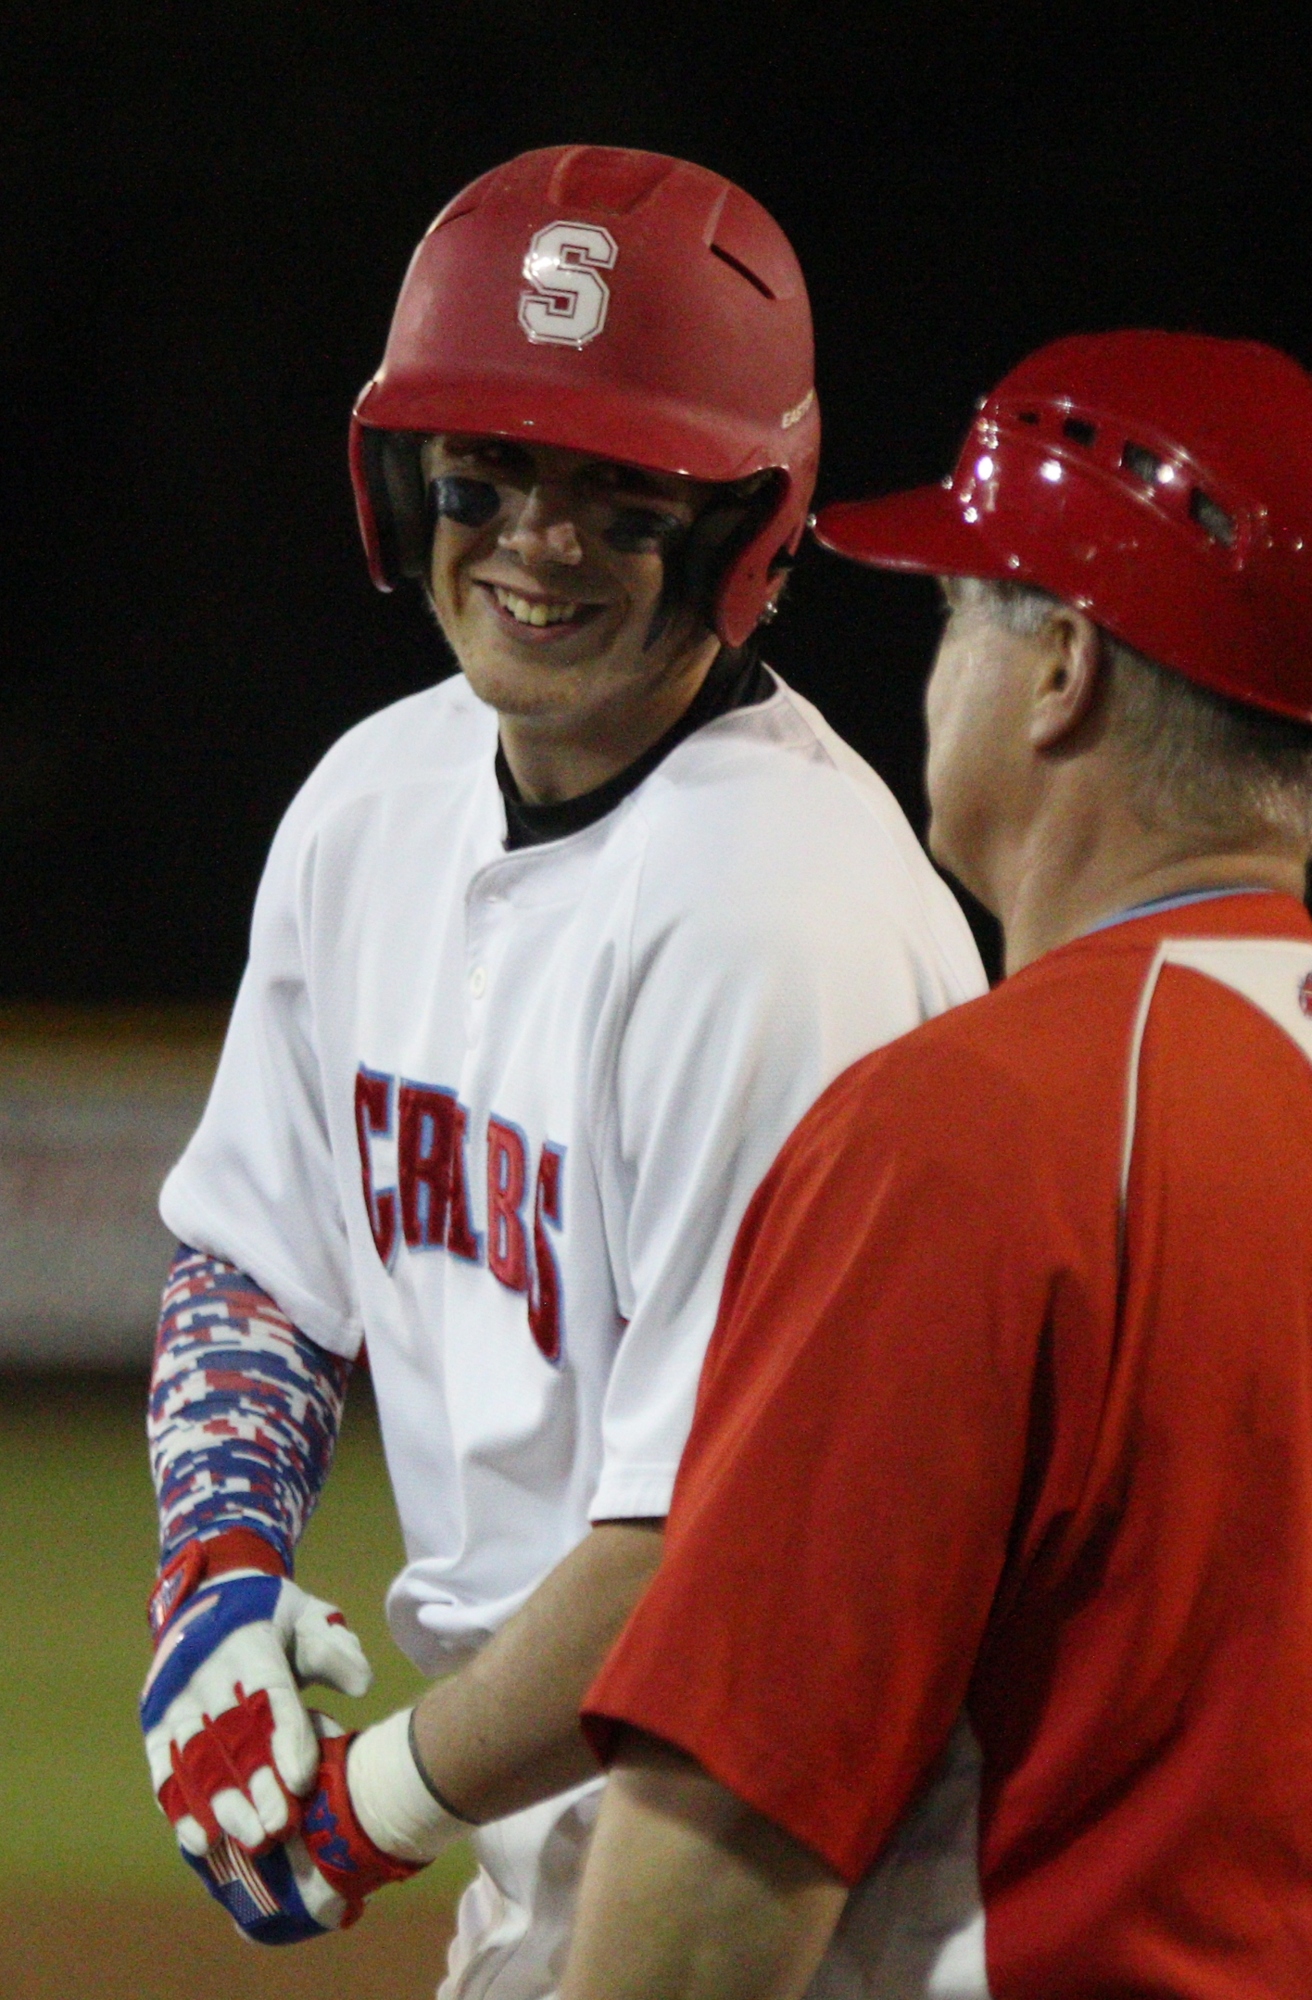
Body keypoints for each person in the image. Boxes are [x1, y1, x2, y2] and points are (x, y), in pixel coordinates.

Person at [563, 332, 1312, 2000]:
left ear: (1060, 666)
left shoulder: (962, 1129)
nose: (933, 664)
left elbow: (716, 1854)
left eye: (956, 610)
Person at [136, 145, 984, 1995]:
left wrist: (363, 1805)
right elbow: (257, 1268)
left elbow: (715, 1558)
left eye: (621, 494)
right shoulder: (373, 802)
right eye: (487, 471)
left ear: (742, 521)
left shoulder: (781, 919)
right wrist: (210, 1581)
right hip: (568, 1816)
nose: (534, 540)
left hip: (808, 1876)